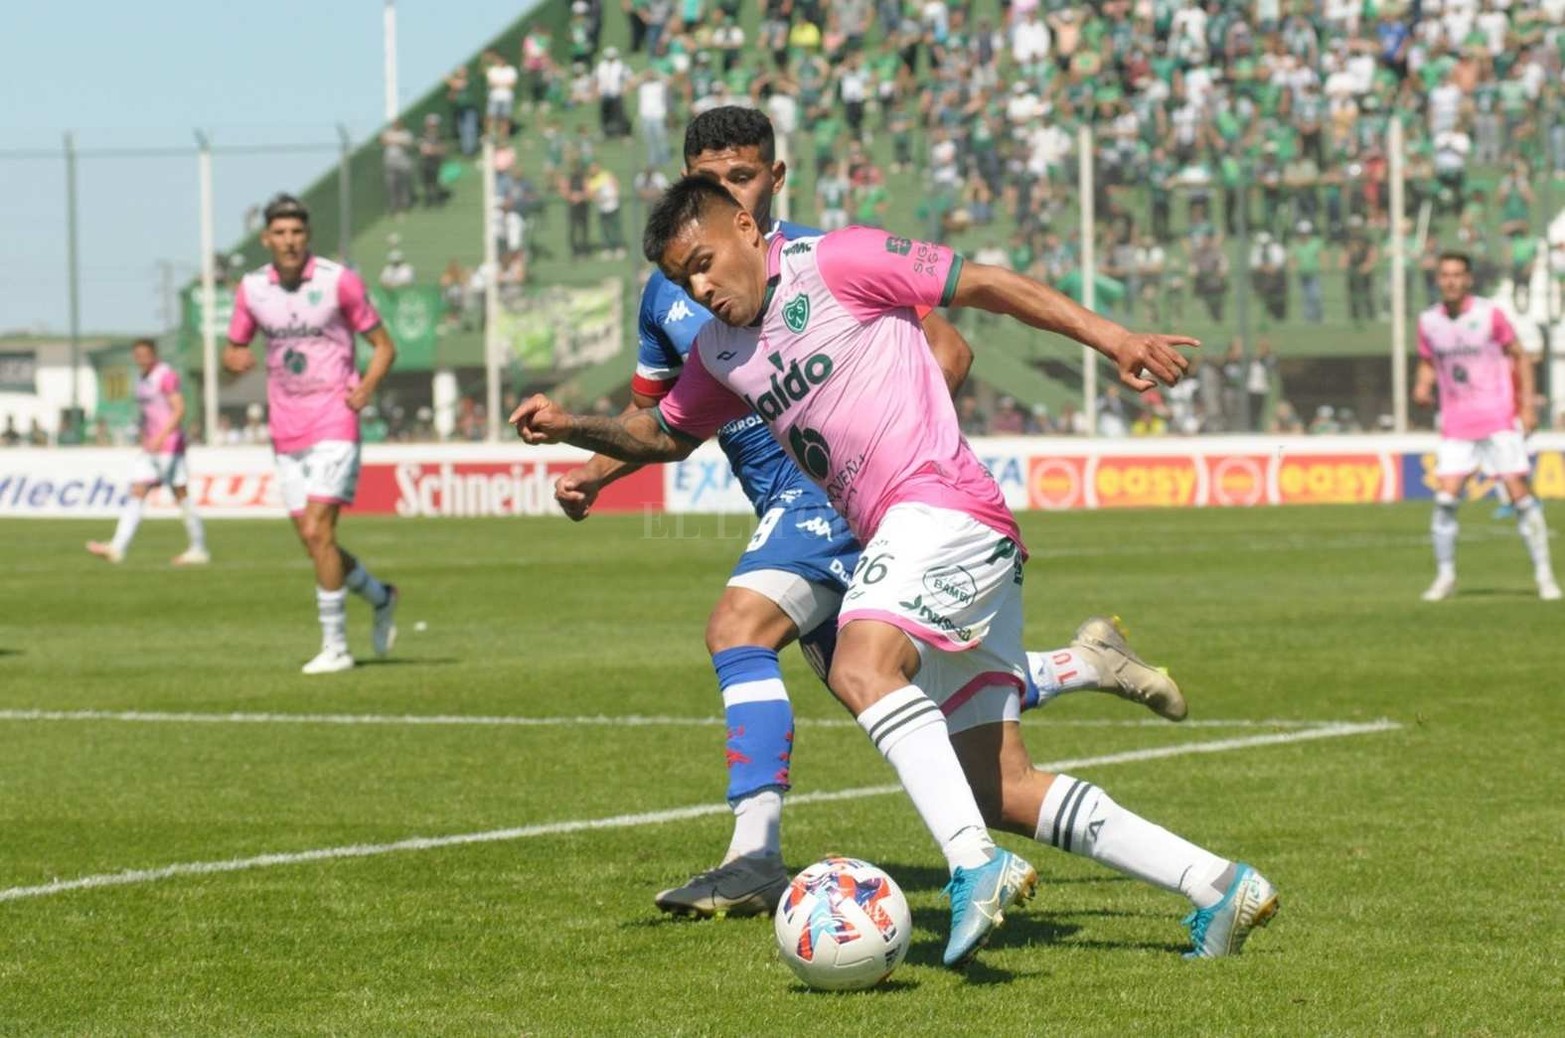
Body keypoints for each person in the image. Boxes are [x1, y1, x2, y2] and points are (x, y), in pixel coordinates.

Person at [513, 175, 1276, 966]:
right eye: (682, 280)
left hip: (942, 509)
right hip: (919, 537)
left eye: (704, 262)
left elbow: (981, 285)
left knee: (860, 661)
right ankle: (1218, 884)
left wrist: (1113, 338)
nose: (700, 287)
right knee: (999, 786)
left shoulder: (838, 261)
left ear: (746, 225)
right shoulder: (716, 354)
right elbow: (666, 434)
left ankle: (974, 864)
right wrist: (576, 428)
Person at [224, 195, 402, 673]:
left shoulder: (336, 281)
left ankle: (336, 647)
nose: (289, 241)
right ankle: (381, 596)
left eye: (297, 233)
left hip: (334, 420)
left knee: (320, 530)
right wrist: (233, 360)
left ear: (308, 237)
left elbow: (384, 347)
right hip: (286, 429)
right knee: (312, 540)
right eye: (280, 233)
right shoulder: (252, 290)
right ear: (266, 239)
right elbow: (233, 347)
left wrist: (365, 387)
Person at [1413, 252, 1560, 602]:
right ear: (1438, 280)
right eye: (1445, 275)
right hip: (1456, 424)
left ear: (1469, 279)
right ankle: (1445, 575)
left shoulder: (1488, 315)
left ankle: (1545, 575)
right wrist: (1422, 384)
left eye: (1457, 275)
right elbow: (1427, 361)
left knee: (1520, 497)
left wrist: (1526, 405)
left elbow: (1519, 354)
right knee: (1445, 499)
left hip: (1497, 419)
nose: (1451, 281)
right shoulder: (1428, 321)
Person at [86, 338, 209, 566]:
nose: (141, 358)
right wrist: (146, 437)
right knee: (138, 489)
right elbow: (148, 414)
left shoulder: (165, 375)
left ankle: (199, 547)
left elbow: (179, 409)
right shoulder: (141, 380)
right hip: (150, 448)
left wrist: (161, 437)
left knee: (181, 493)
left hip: (170, 446)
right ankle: (117, 547)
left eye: (145, 354)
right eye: (137, 355)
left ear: (154, 354)